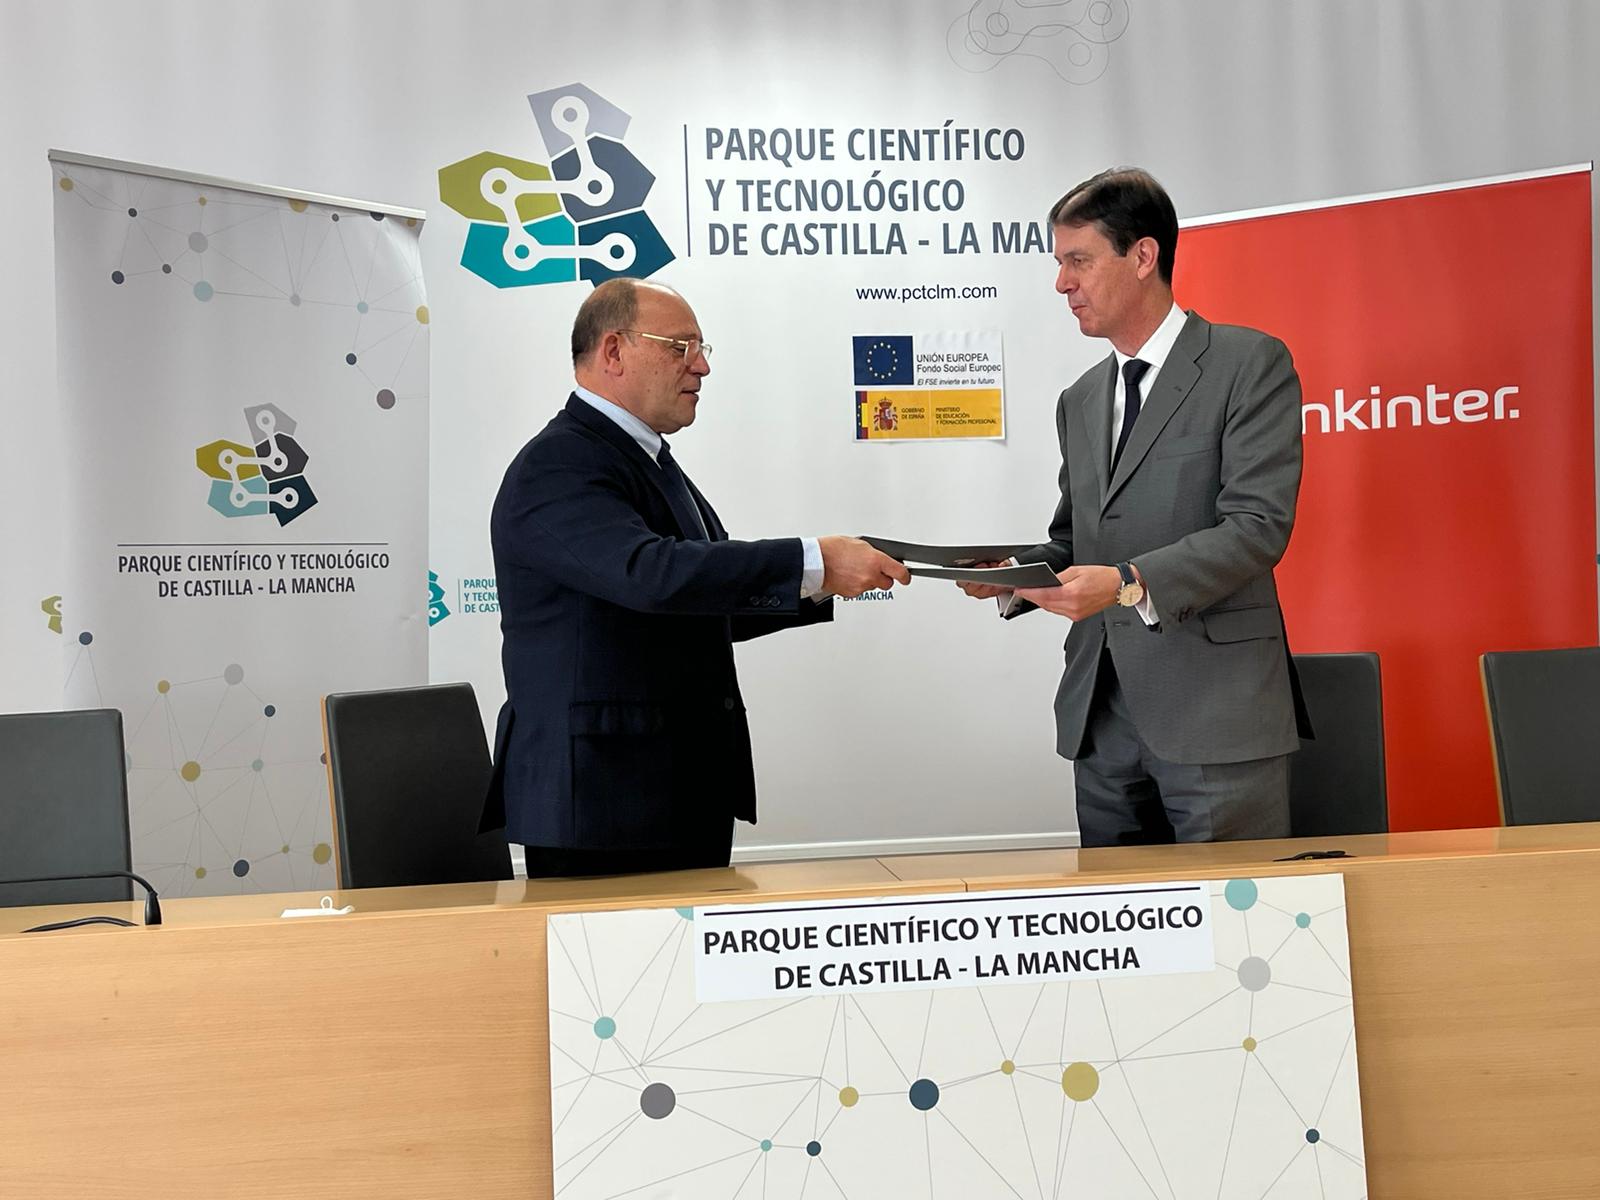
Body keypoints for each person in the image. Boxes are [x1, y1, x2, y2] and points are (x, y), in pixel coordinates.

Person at [481, 277, 909, 876]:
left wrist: (823, 577)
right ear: (614, 351)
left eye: (702, 348)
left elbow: (696, 599)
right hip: (605, 805)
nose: (702, 366)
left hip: (668, 793)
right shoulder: (559, 462)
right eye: (680, 347)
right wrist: (814, 560)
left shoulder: (645, 458)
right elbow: (651, 575)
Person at [962, 167, 1311, 846]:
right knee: (1117, 916)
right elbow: (1076, 541)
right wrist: (1013, 574)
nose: (1061, 283)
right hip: (1101, 719)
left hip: (1216, 716)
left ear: (1143, 255)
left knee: (1232, 911)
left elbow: (1257, 527)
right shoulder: (1080, 399)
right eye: (1059, 263)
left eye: (1078, 261)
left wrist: (1126, 582)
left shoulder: (1249, 364)